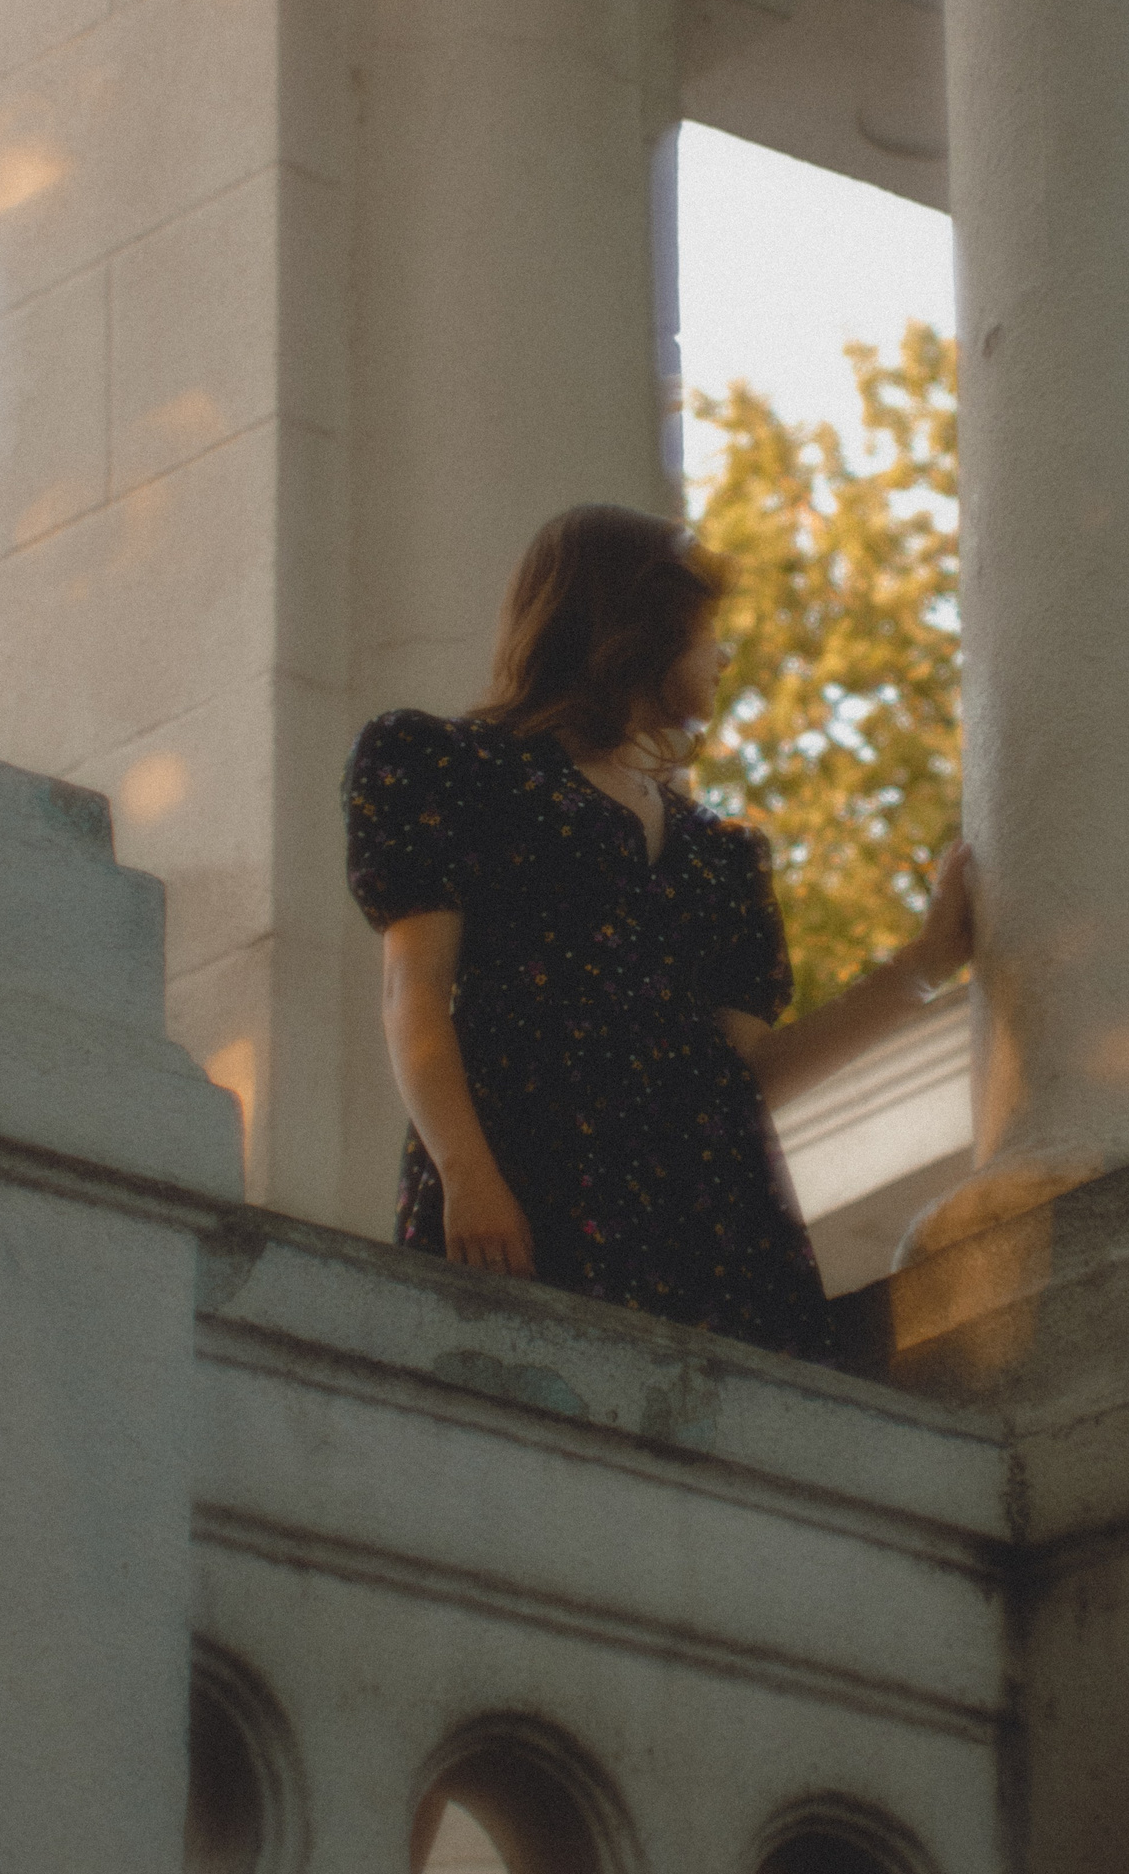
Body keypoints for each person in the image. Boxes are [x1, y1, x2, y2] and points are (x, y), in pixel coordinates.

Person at [342, 505, 973, 1361]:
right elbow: (412, 992)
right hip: (524, 1194)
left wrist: (924, 967)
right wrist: (467, 1175)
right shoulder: (452, 767)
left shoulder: (723, 856)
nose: (723, 656)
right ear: (643, 626)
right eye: (707, 630)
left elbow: (745, 1078)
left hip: (714, 1242)